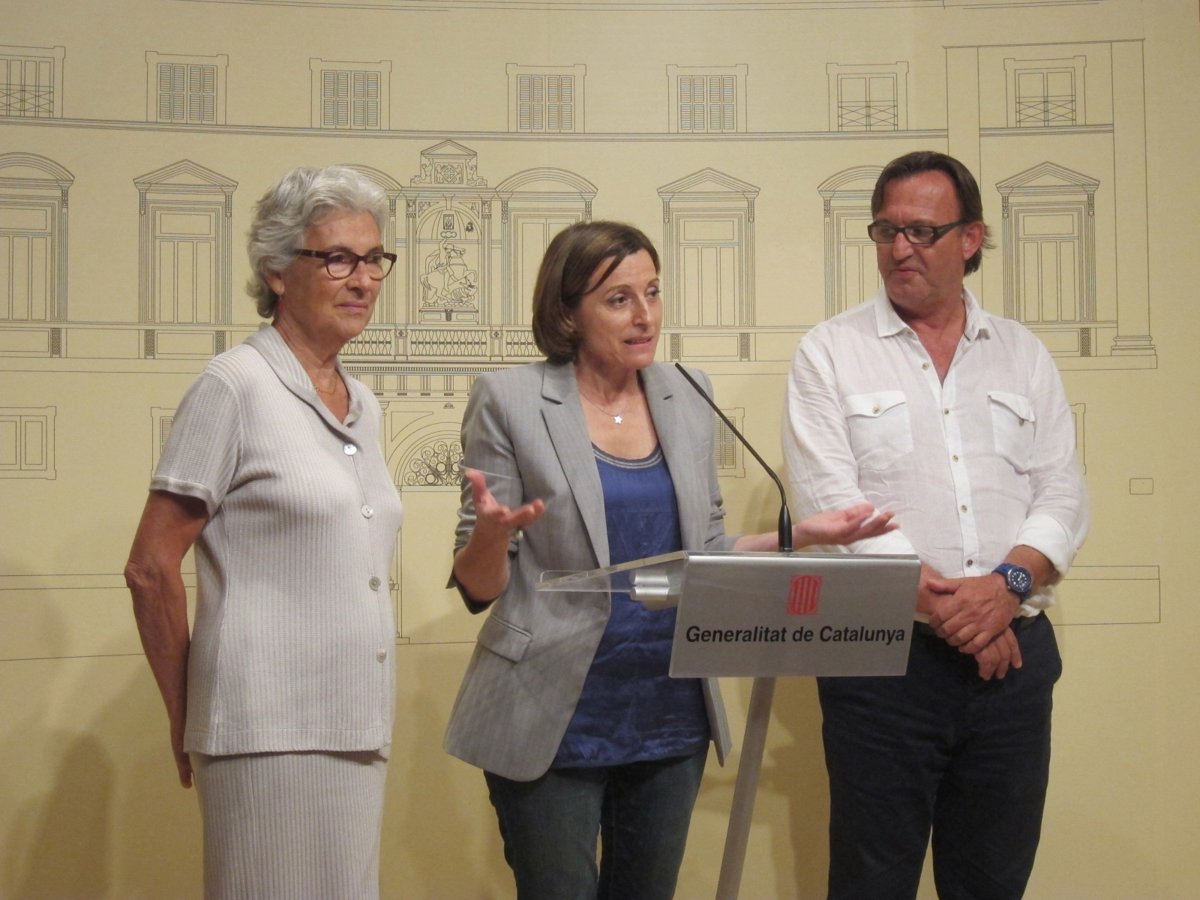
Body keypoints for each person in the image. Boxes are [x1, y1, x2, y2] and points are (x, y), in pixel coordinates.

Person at [443, 220, 896, 900]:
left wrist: (801, 535)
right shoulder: (510, 399)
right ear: (568, 311)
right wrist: (489, 534)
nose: (645, 315)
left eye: (652, 292)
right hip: (550, 707)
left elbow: (702, 553)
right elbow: (479, 587)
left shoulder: (687, 393)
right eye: (618, 298)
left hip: (668, 705)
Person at [783, 150, 1090, 900]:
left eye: (921, 231)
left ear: (970, 238)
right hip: (882, 664)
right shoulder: (830, 352)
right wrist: (969, 617)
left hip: (1013, 668)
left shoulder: (1023, 354)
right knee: (870, 882)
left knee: (993, 882)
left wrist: (1006, 588)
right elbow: (836, 505)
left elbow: (1062, 495)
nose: (899, 249)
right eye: (885, 230)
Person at [124, 165, 404, 899]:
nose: (362, 279)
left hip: (357, 722)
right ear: (278, 271)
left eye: (373, 259)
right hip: (263, 726)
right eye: (337, 258)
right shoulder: (234, 385)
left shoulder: (363, 403)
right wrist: (187, 713)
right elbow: (150, 568)